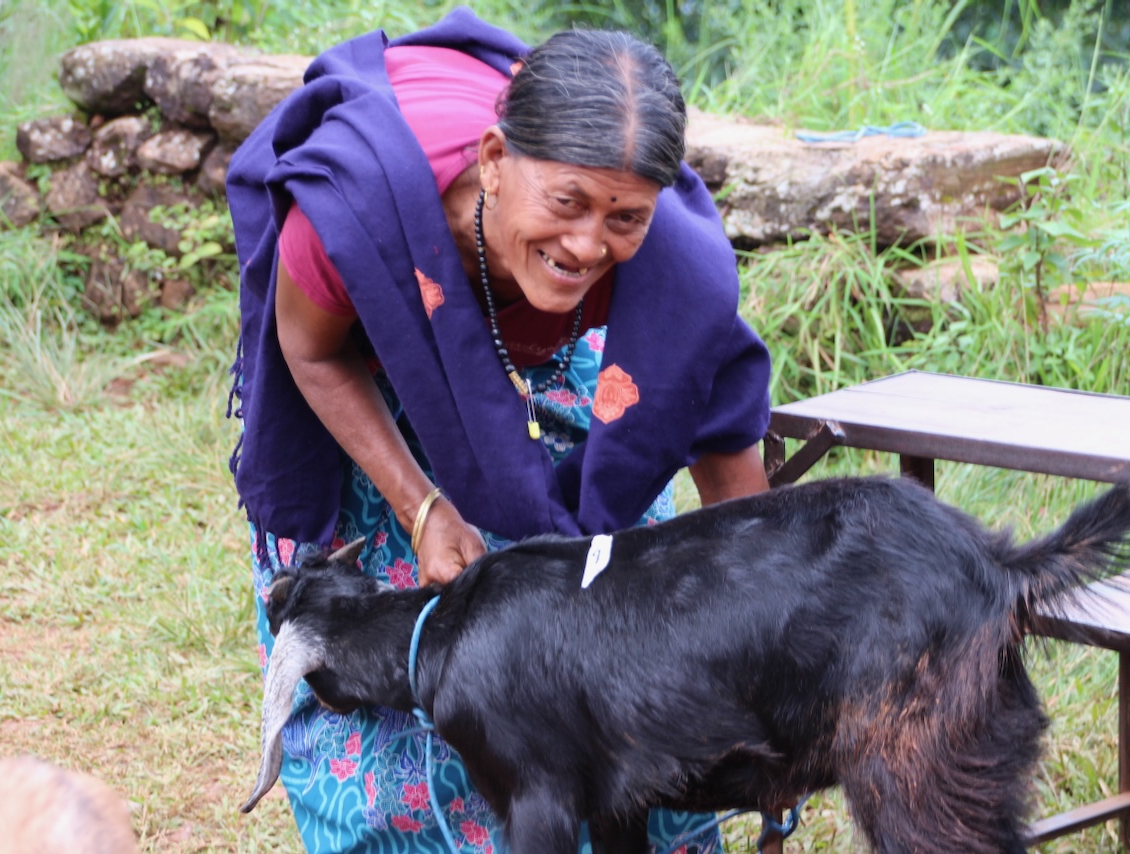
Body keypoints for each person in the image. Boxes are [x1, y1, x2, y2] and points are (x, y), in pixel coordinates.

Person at [226, 8, 773, 852]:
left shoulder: (670, 263)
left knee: (625, 624)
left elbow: (721, 446)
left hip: (532, 342)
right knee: (425, 654)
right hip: (381, 358)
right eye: (567, 202)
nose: (588, 243)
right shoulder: (356, 216)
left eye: (623, 217)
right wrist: (423, 508)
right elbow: (312, 350)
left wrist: (751, 631)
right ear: (493, 161)